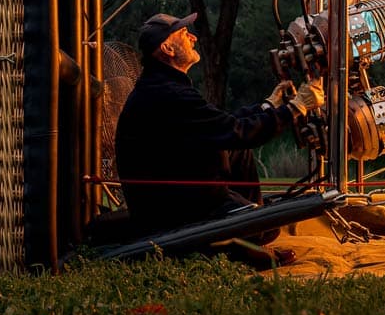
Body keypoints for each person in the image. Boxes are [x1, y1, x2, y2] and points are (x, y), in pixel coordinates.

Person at [115, 12, 324, 235]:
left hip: (179, 189)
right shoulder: (168, 93)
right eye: (184, 34)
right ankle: (249, 228)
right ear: (168, 49)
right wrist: (296, 107)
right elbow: (237, 133)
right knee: (269, 228)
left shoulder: (162, 85)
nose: (193, 38)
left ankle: (250, 213)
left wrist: (268, 106)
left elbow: (220, 125)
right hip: (172, 209)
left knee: (235, 151)